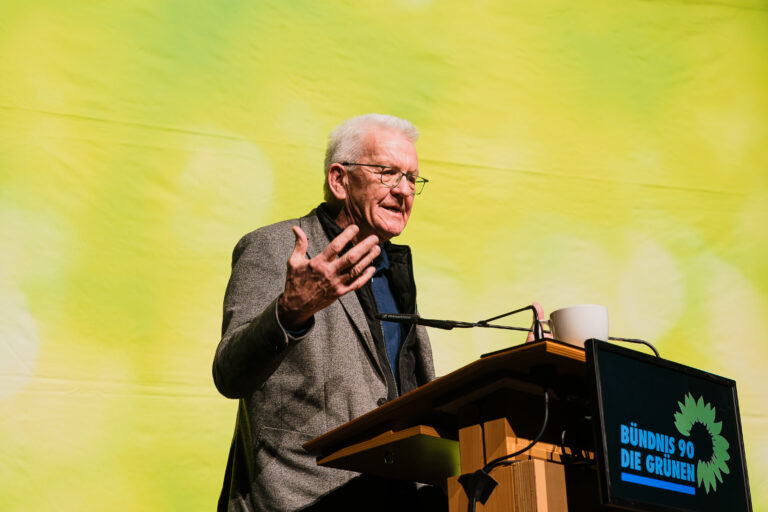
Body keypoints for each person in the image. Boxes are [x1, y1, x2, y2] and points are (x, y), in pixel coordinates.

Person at [213, 114, 437, 511]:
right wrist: (290, 311)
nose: (404, 191)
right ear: (339, 179)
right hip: (299, 499)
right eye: (387, 173)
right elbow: (230, 374)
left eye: (412, 178)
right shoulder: (272, 248)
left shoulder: (395, 271)